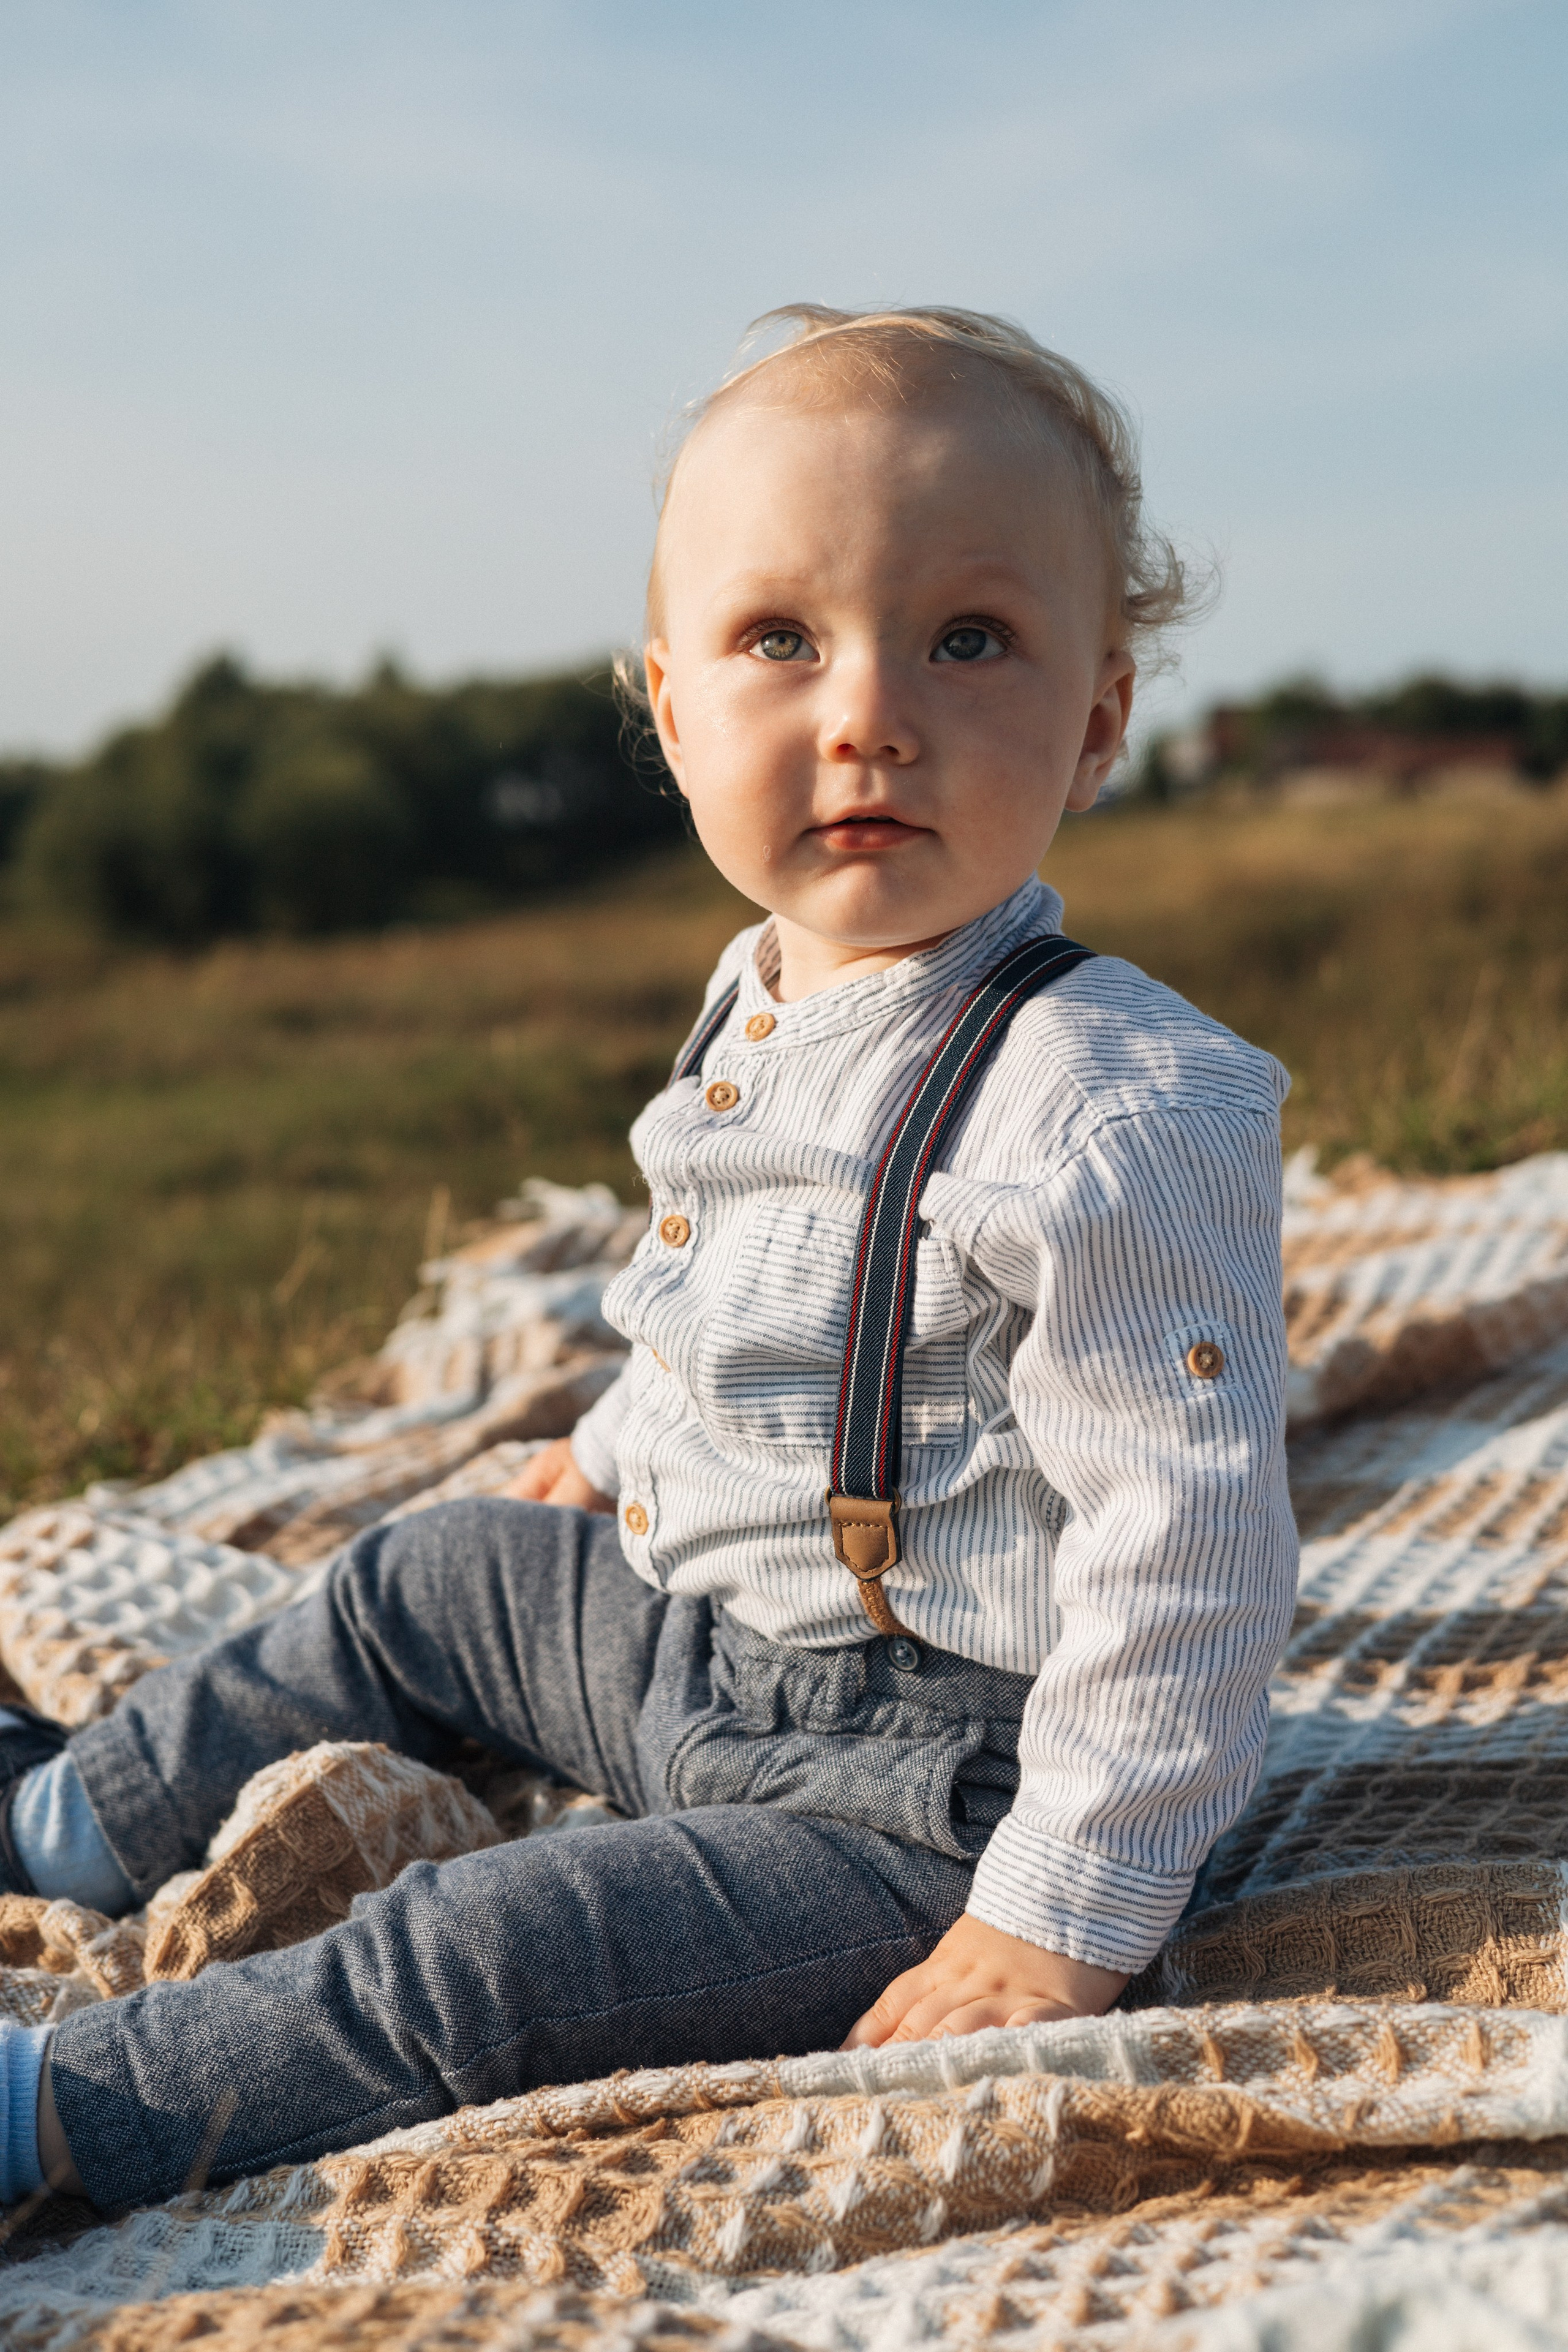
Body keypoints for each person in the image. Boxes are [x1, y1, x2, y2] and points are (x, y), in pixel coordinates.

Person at [0, 306, 1295, 2214]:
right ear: (676, 714)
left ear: (1098, 719)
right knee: (421, 1570)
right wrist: (615, 1448)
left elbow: (1193, 1556)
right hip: (704, 1642)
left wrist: (1056, 1919)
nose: (868, 710)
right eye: (783, 641)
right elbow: (755, 1294)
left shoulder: (1112, 1106)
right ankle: (60, 1819)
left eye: (970, 639)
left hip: (928, 1799)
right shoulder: (764, 992)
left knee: (486, 1945)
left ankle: (66, 2107)